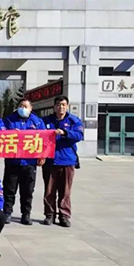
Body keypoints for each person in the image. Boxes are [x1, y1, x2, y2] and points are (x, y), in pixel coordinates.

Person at [2, 98, 46, 225]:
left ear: (31, 108)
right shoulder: (9, 120)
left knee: (27, 191)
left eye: (26, 106)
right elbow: (0, 134)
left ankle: (26, 214)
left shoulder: (37, 122)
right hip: (13, 162)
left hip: (29, 163)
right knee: (9, 190)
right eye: (21, 106)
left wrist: (42, 156)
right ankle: (7, 213)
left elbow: (45, 140)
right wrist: (10, 133)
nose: (23, 108)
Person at [42, 95, 84, 228]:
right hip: (50, 160)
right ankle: (49, 214)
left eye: (63, 105)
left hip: (67, 160)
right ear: (54, 106)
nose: (61, 107)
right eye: (58, 105)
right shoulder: (46, 121)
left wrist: (65, 132)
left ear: (67, 106)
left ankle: (64, 216)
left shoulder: (73, 121)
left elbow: (79, 135)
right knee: (49, 190)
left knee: (65, 191)